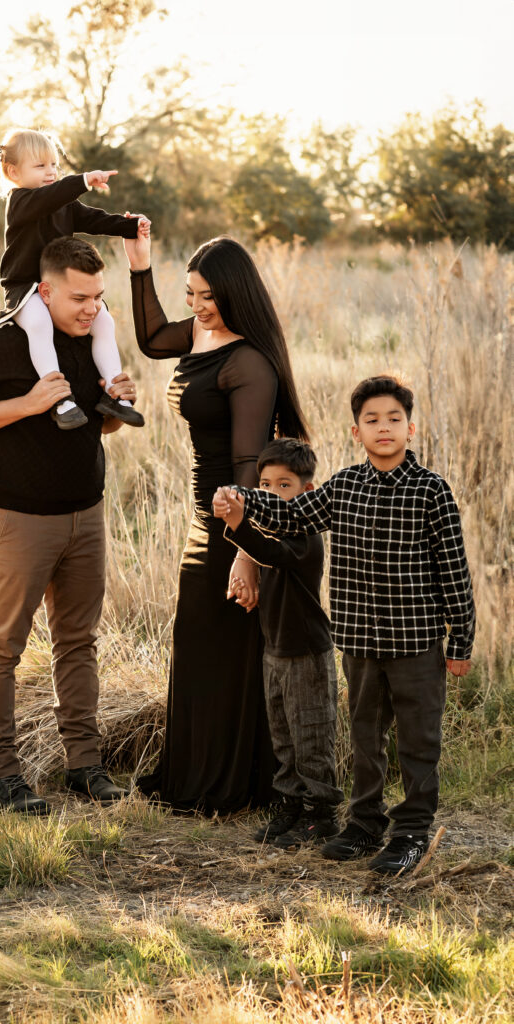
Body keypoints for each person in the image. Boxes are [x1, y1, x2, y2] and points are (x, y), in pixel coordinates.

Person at [213, 375, 475, 875]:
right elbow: (292, 514)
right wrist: (241, 501)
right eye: (371, 420)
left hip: (415, 641)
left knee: (418, 741)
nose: (383, 427)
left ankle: (412, 832)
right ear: (356, 432)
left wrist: (460, 639)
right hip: (358, 641)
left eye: (393, 419)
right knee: (365, 737)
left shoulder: (431, 492)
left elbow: (453, 572)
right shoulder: (343, 486)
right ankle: (364, 823)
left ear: (410, 428)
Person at [0, 236, 136, 814]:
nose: (91, 309)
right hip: (17, 522)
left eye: (98, 297)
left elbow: (94, 431)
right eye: (79, 297)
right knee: (2, 648)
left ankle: (84, 766)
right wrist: (27, 403)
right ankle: (3, 777)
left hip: (86, 516)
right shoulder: (2, 344)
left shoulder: (90, 342)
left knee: (78, 644)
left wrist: (114, 405)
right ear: (44, 291)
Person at [123, 229, 310, 814]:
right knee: (201, 645)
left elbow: (249, 463)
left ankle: (231, 785)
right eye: (191, 294)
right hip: (205, 519)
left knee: (224, 645)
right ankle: (200, 775)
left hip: (234, 524)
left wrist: (247, 552)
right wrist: (139, 266)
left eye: (208, 296)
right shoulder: (201, 334)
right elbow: (154, 338)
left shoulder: (251, 362)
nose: (198, 306)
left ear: (235, 292)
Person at [214, 439, 343, 846]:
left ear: (307, 493)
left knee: (311, 738)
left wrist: (238, 524)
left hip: (307, 652)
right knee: (284, 737)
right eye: (264, 486)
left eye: (283, 486)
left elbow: (270, 552)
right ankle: (290, 805)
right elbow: (260, 548)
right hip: (276, 650)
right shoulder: (270, 529)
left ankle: (321, 813)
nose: (271, 495)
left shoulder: (306, 536)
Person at [0, 127, 148, 429]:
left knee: (104, 321)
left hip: (61, 289)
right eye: (40, 166)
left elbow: (93, 219)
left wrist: (130, 227)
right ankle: (60, 400)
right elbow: (52, 196)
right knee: (39, 323)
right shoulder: (21, 203)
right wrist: (82, 180)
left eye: (54, 164)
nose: (51, 172)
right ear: (12, 171)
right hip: (26, 289)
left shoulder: (62, 204)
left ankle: (114, 394)